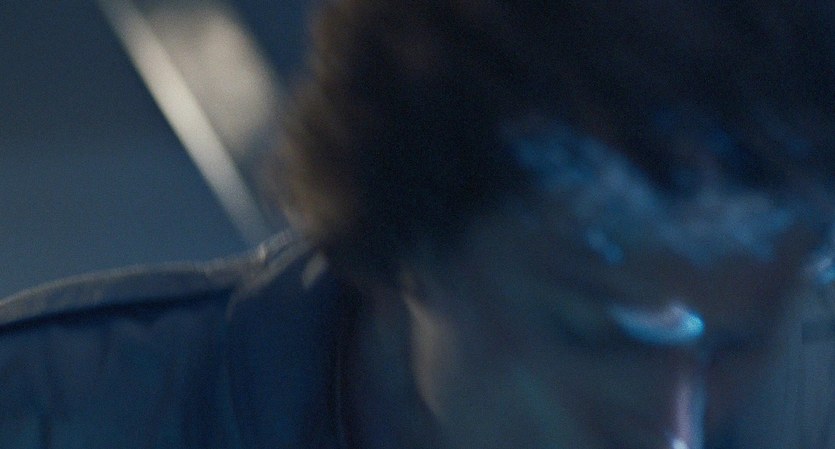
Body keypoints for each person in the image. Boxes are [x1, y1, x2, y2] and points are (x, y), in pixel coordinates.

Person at [0, 1, 833, 448]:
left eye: (734, 344)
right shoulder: (51, 416)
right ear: (414, 244)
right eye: (591, 333)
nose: (673, 432)